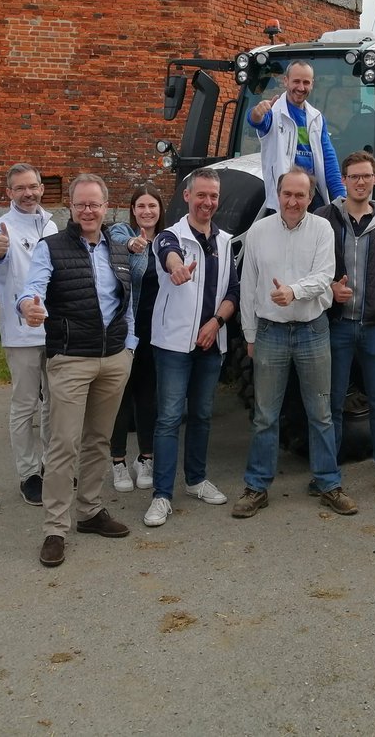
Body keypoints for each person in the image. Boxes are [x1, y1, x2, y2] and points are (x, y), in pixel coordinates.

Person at [18, 174, 135, 568]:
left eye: (95, 204)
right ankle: (55, 527)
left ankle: (89, 511)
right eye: (81, 204)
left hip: (114, 358)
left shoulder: (118, 249)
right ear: (70, 207)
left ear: (106, 207)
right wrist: (28, 307)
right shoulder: (50, 248)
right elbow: (33, 288)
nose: (88, 211)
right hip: (70, 359)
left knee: (98, 440)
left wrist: (129, 347)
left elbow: (126, 302)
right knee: (63, 444)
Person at [233, 167, 356, 518]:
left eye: (300, 195)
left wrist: (293, 291)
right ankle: (257, 486)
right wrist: (251, 335)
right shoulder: (258, 231)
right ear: (278, 194)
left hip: (312, 330)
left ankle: (329, 483)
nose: (293, 201)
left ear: (310, 198)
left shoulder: (322, 228)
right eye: (287, 194)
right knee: (265, 416)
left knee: (321, 413)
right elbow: (248, 286)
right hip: (270, 332)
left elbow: (324, 277)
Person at [142, 169, 239, 527]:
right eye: (201, 195)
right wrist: (177, 268)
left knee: (201, 415)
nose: (207, 203)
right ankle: (162, 495)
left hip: (212, 343)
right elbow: (167, 254)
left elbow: (233, 291)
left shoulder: (227, 241)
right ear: (187, 195)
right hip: (172, 344)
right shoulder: (171, 236)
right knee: (168, 419)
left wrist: (216, 323)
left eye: (213, 196)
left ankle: (196, 480)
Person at [315, 151, 375, 497]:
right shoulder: (324, 217)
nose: (360, 182)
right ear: (344, 180)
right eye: (353, 176)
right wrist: (327, 291)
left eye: (366, 176)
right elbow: (311, 266)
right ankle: (328, 470)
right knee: (333, 399)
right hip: (337, 324)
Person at [0, 163, 59, 506]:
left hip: (54, 328)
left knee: (54, 403)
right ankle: (28, 473)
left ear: (41, 187)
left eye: (33, 186)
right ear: (9, 192)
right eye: (20, 188)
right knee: (25, 404)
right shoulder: (2, 227)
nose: (28, 193)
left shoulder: (52, 223)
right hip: (21, 332)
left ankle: (50, 464)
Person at [107, 185, 164, 493]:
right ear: (133, 209)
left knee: (148, 396)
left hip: (156, 330)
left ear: (159, 210)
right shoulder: (122, 231)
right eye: (141, 206)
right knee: (121, 396)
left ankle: (145, 458)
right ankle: (117, 461)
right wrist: (132, 243)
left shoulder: (168, 240)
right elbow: (115, 240)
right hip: (125, 329)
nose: (146, 211)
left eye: (152, 206)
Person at [247, 60, 347, 212]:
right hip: (284, 200)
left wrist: (341, 198)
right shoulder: (274, 112)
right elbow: (258, 121)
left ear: (312, 84)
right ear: (285, 81)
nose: (301, 88)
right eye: (296, 81)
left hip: (312, 197)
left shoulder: (317, 118)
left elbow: (328, 159)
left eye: (306, 82)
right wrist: (256, 113)